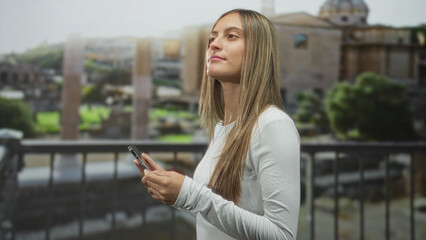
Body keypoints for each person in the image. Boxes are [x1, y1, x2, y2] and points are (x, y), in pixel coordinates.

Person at [134, 9, 300, 240]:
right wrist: (176, 192)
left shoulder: (272, 125)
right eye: (212, 38)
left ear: (259, 52)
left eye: (231, 36)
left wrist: (190, 194)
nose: (214, 45)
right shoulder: (224, 128)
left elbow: (282, 235)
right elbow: (218, 215)